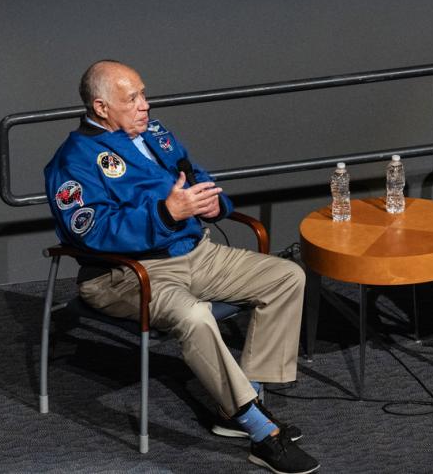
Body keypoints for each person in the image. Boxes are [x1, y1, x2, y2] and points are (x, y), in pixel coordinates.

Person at [44, 60, 320, 474]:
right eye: (132, 98)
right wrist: (166, 213)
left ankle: (242, 402)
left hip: (195, 253)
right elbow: (91, 232)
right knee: (195, 316)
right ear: (101, 107)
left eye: (143, 93)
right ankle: (260, 431)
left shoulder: (155, 134)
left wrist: (213, 204)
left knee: (285, 276)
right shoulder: (73, 160)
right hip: (125, 274)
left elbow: (194, 174)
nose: (145, 105)